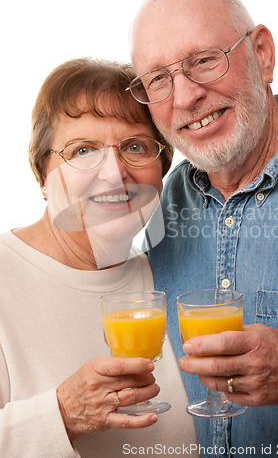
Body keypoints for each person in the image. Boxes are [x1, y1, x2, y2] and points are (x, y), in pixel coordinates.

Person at [129, 0, 278, 457]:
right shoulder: (159, 199)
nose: (185, 97)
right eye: (159, 78)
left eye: (202, 60)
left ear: (262, 54)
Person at [0, 57, 200, 458]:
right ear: (43, 173)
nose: (113, 173)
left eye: (135, 147)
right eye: (84, 150)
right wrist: (62, 413)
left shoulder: (171, 276)